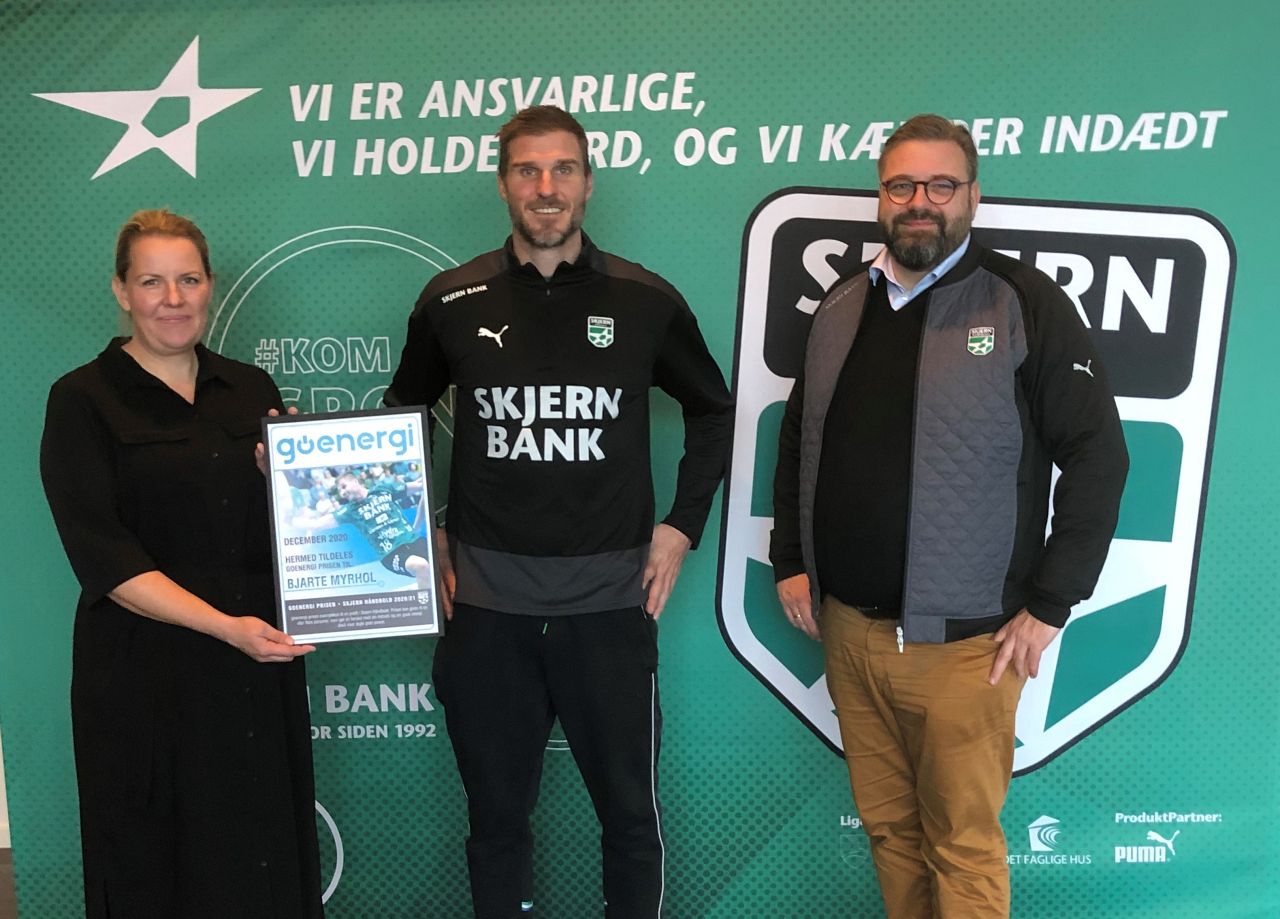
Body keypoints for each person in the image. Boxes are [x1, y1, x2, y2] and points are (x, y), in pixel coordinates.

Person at [770, 115, 1129, 917]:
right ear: (880, 197)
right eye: (901, 185)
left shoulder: (1022, 303)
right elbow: (801, 437)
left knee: (962, 847)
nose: (920, 202)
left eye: (940, 185)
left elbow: (1099, 455)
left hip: (968, 649)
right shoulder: (841, 305)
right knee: (891, 832)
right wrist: (791, 556)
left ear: (972, 195)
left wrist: (1051, 602)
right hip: (849, 633)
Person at [386, 105, 733, 918]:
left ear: (588, 182)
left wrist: (681, 526)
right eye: (528, 170)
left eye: (563, 169)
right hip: (485, 609)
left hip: (607, 607)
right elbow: (401, 416)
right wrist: (418, 528)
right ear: (503, 183)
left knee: (631, 818)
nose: (546, 187)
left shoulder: (645, 298)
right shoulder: (450, 298)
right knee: (495, 821)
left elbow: (714, 409)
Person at [40, 209, 325, 919]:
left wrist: (294, 481)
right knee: (155, 863)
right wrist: (227, 627)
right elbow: (106, 560)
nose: (173, 298)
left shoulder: (251, 388)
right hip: (145, 678)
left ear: (210, 286)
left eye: (188, 280)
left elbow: (296, 530)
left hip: (254, 671)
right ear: (121, 290)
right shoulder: (82, 399)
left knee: (261, 853)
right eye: (152, 282)